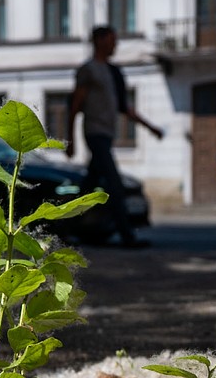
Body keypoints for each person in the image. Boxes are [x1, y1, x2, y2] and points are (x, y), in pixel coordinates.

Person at [68, 24, 163, 248]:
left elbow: (125, 107)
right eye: (112, 40)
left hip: (107, 134)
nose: (115, 44)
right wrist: (70, 140)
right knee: (114, 184)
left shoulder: (114, 72)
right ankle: (127, 237)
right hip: (94, 133)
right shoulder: (88, 70)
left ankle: (68, 228)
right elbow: (75, 105)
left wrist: (150, 127)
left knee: (87, 187)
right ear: (99, 41)